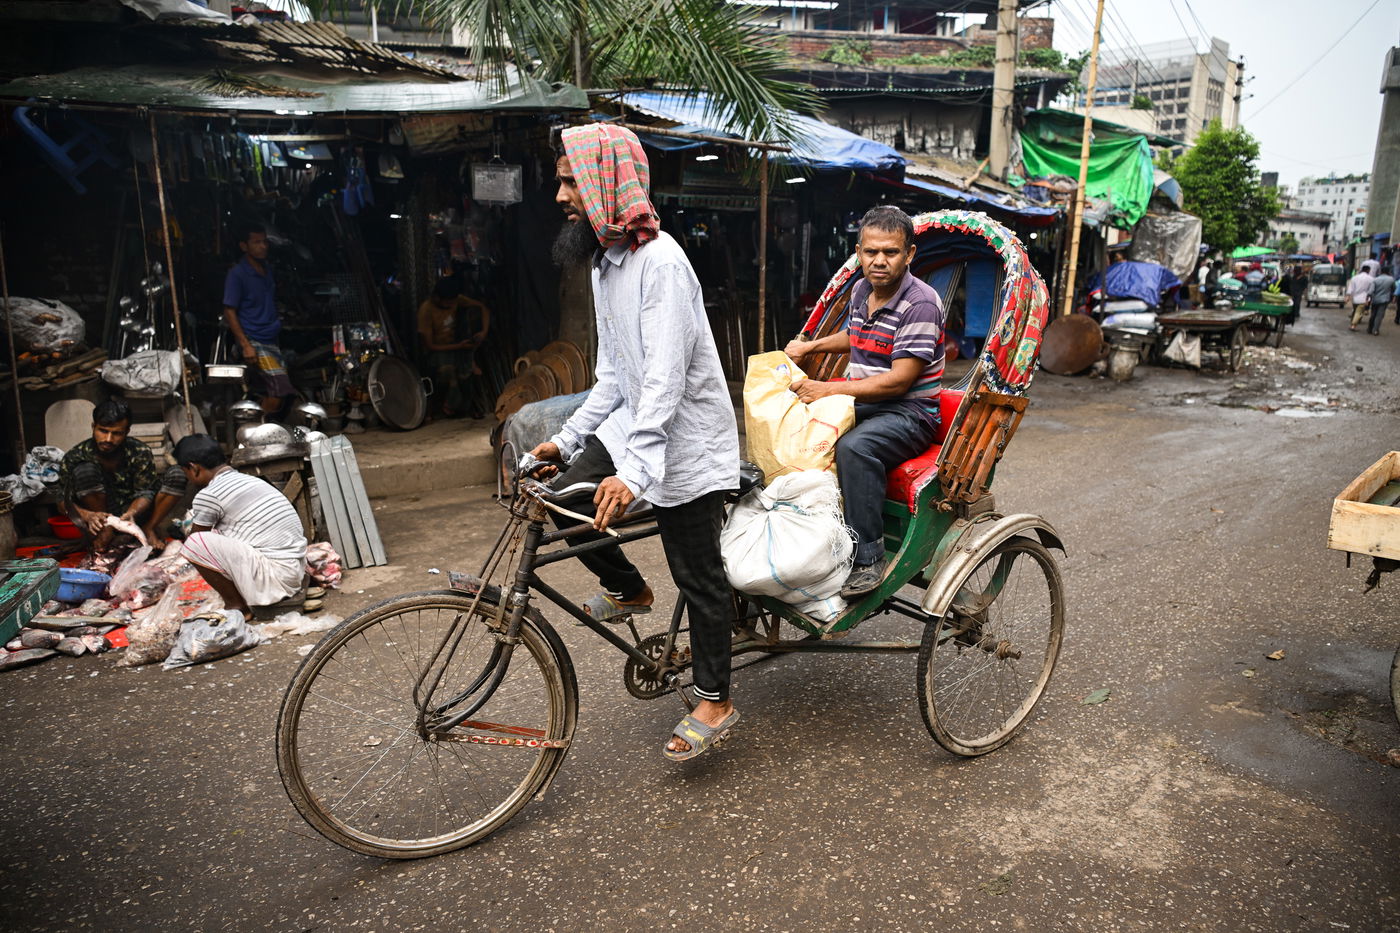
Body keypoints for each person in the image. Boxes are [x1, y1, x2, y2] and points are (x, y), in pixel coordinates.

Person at [527, 123, 740, 761]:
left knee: (696, 573)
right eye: (562, 181)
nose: (562, 196)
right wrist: (564, 442)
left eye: (571, 181)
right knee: (559, 501)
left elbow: (665, 384)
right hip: (638, 425)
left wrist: (637, 475)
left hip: (687, 440)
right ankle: (627, 589)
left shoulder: (663, 264)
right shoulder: (605, 263)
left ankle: (715, 695)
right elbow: (616, 375)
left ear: (607, 183)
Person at [784, 205, 945, 597]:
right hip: (869, 401)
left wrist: (829, 389)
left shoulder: (920, 303)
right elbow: (857, 336)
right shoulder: (862, 290)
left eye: (890, 252)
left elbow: (898, 381)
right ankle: (812, 536)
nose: (879, 261)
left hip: (910, 413)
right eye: (871, 252)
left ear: (908, 255)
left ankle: (869, 558)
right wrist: (812, 346)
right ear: (859, 251)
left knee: (855, 448)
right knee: (795, 422)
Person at [174, 434, 307, 615]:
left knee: (194, 543)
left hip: (276, 579)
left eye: (186, 472)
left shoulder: (209, 494)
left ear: (193, 468)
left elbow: (198, 539)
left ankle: (237, 607)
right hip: (294, 572)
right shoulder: (249, 480)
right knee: (216, 535)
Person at [58, 397, 186, 549]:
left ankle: (148, 528)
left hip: (136, 514)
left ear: (127, 432)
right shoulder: (76, 456)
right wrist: (89, 516)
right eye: (103, 431)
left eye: (117, 433)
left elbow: (145, 492)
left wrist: (132, 512)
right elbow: (62, 501)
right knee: (85, 470)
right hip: (99, 516)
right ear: (93, 427)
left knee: (178, 474)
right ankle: (105, 530)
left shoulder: (140, 452)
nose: (108, 439)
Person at [222, 223, 295, 415]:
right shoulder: (237, 274)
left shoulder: (266, 270)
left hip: (270, 338)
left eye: (264, 242)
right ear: (244, 246)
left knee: (277, 390)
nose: (263, 246)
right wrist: (245, 344)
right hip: (253, 339)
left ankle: (261, 427)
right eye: (256, 242)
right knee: (279, 389)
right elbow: (229, 311)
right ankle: (255, 434)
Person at [417, 276, 491, 418]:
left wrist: (483, 332)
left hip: (459, 348)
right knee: (449, 370)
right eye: (449, 302)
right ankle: (449, 405)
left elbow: (483, 308)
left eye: (453, 302)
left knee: (467, 371)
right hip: (438, 352)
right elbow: (430, 345)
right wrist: (458, 346)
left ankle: (465, 406)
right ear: (437, 298)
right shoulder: (426, 310)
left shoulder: (458, 300)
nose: (452, 305)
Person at [1347, 260, 1376, 331]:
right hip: (1364, 299)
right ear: (1368, 270)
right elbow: (1371, 290)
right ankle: (1353, 325)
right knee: (1358, 312)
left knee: (1355, 310)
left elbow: (1350, 288)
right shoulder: (1371, 279)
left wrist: (1347, 296)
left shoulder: (1354, 278)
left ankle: (1352, 323)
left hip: (1355, 298)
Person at [1366, 264, 1395, 336]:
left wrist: (1367, 298)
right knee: (1379, 315)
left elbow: (1370, 291)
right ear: (1388, 272)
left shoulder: (1375, 279)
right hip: (1384, 300)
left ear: (1381, 271)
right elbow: (1393, 289)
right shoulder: (1391, 279)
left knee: (1373, 314)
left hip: (1375, 299)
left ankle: (1369, 328)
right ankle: (1375, 330)